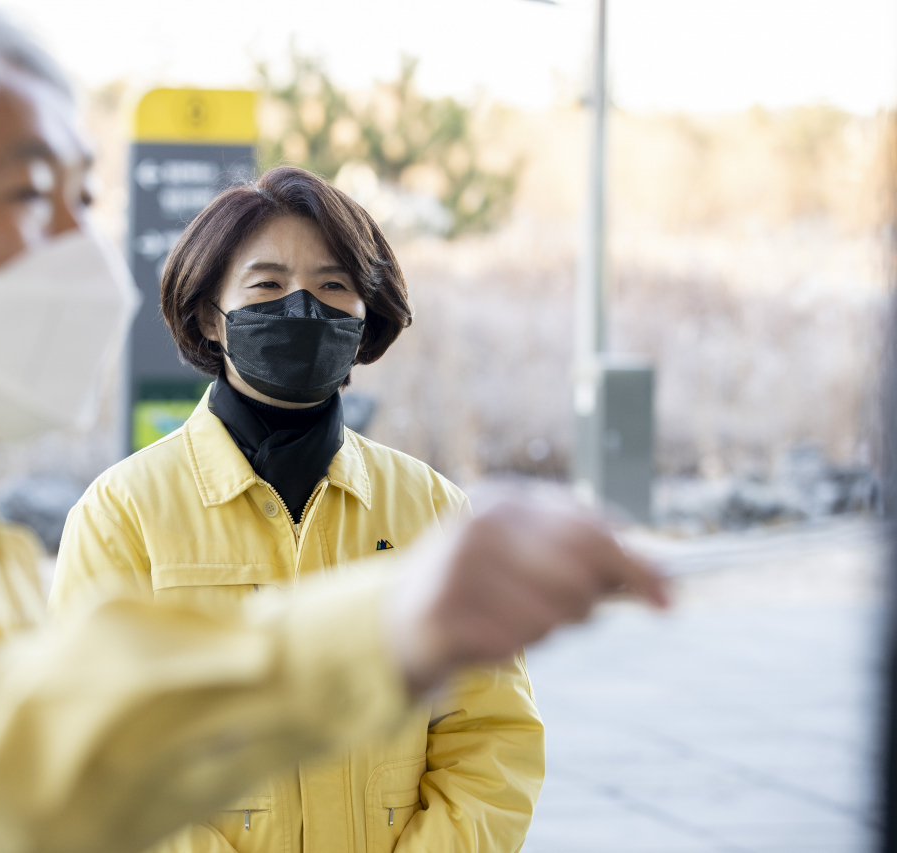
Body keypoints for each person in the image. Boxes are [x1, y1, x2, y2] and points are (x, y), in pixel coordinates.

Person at [0, 6, 667, 853]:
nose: (82, 243)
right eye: (32, 192)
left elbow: (489, 745)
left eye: (85, 194)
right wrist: (382, 628)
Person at [49, 166, 543, 853]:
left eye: (333, 285)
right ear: (207, 315)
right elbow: (99, 752)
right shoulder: (122, 513)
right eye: (267, 284)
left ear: (366, 316)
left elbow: (490, 735)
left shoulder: (431, 508)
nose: (302, 307)